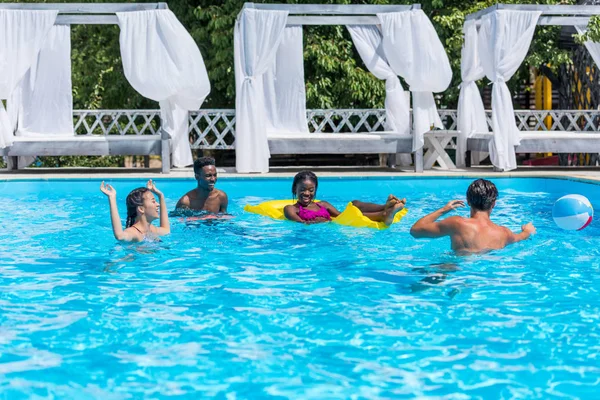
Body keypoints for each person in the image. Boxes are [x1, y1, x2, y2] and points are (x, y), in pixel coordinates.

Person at [410, 178, 536, 254]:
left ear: (468, 201)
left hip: (456, 269)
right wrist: (527, 230)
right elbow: (522, 236)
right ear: (494, 204)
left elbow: (415, 231)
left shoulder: (457, 223)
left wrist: (444, 209)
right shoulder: (504, 233)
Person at [283, 170, 406, 225]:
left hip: (333, 223)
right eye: (302, 189)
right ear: (295, 189)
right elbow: (301, 224)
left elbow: (340, 215)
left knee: (354, 203)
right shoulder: (291, 209)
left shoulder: (322, 204)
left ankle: (385, 206)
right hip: (327, 230)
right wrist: (317, 223)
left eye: (311, 190)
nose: (307, 193)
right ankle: (384, 214)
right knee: (350, 214)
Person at [100, 180, 170, 242]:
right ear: (141, 209)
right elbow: (120, 236)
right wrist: (112, 198)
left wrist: (161, 196)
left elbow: (166, 230)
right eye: (153, 201)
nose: (158, 205)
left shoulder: (151, 229)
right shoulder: (134, 233)